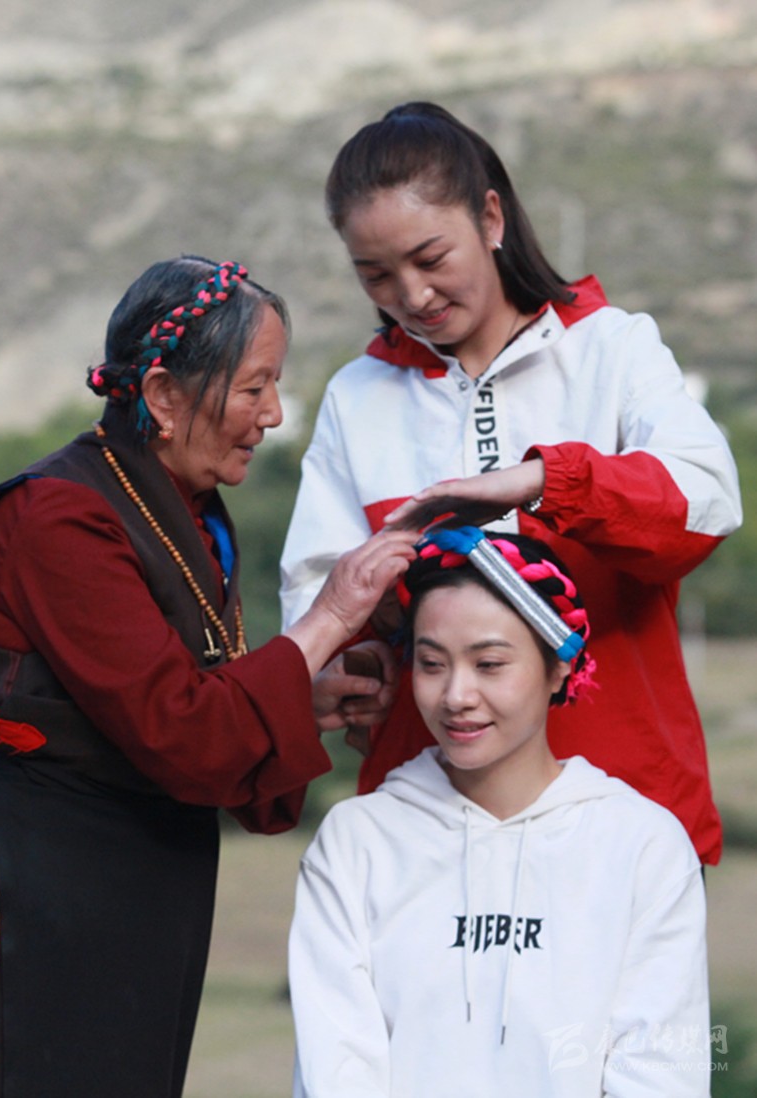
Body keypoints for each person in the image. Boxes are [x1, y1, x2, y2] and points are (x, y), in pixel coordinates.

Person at [0, 254, 417, 1098]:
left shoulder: (190, 515)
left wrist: (300, 699)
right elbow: (179, 727)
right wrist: (329, 618)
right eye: (253, 388)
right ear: (164, 396)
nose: (272, 414)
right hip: (45, 871)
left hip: (143, 876)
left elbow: (193, 698)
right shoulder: (57, 516)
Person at [279, 100, 742, 864]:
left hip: (623, 823)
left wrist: (543, 482)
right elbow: (316, 593)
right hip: (425, 834)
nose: (412, 296)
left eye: (431, 258)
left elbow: (707, 503)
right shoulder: (356, 395)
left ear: (491, 218)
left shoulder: (611, 348)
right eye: (377, 275)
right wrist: (351, 663)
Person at [289, 529, 710, 1098]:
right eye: (432, 664)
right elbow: (337, 1065)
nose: (456, 695)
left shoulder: (642, 845)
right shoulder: (356, 841)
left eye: (489, 664)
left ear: (560, 666)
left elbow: (661, 1069)